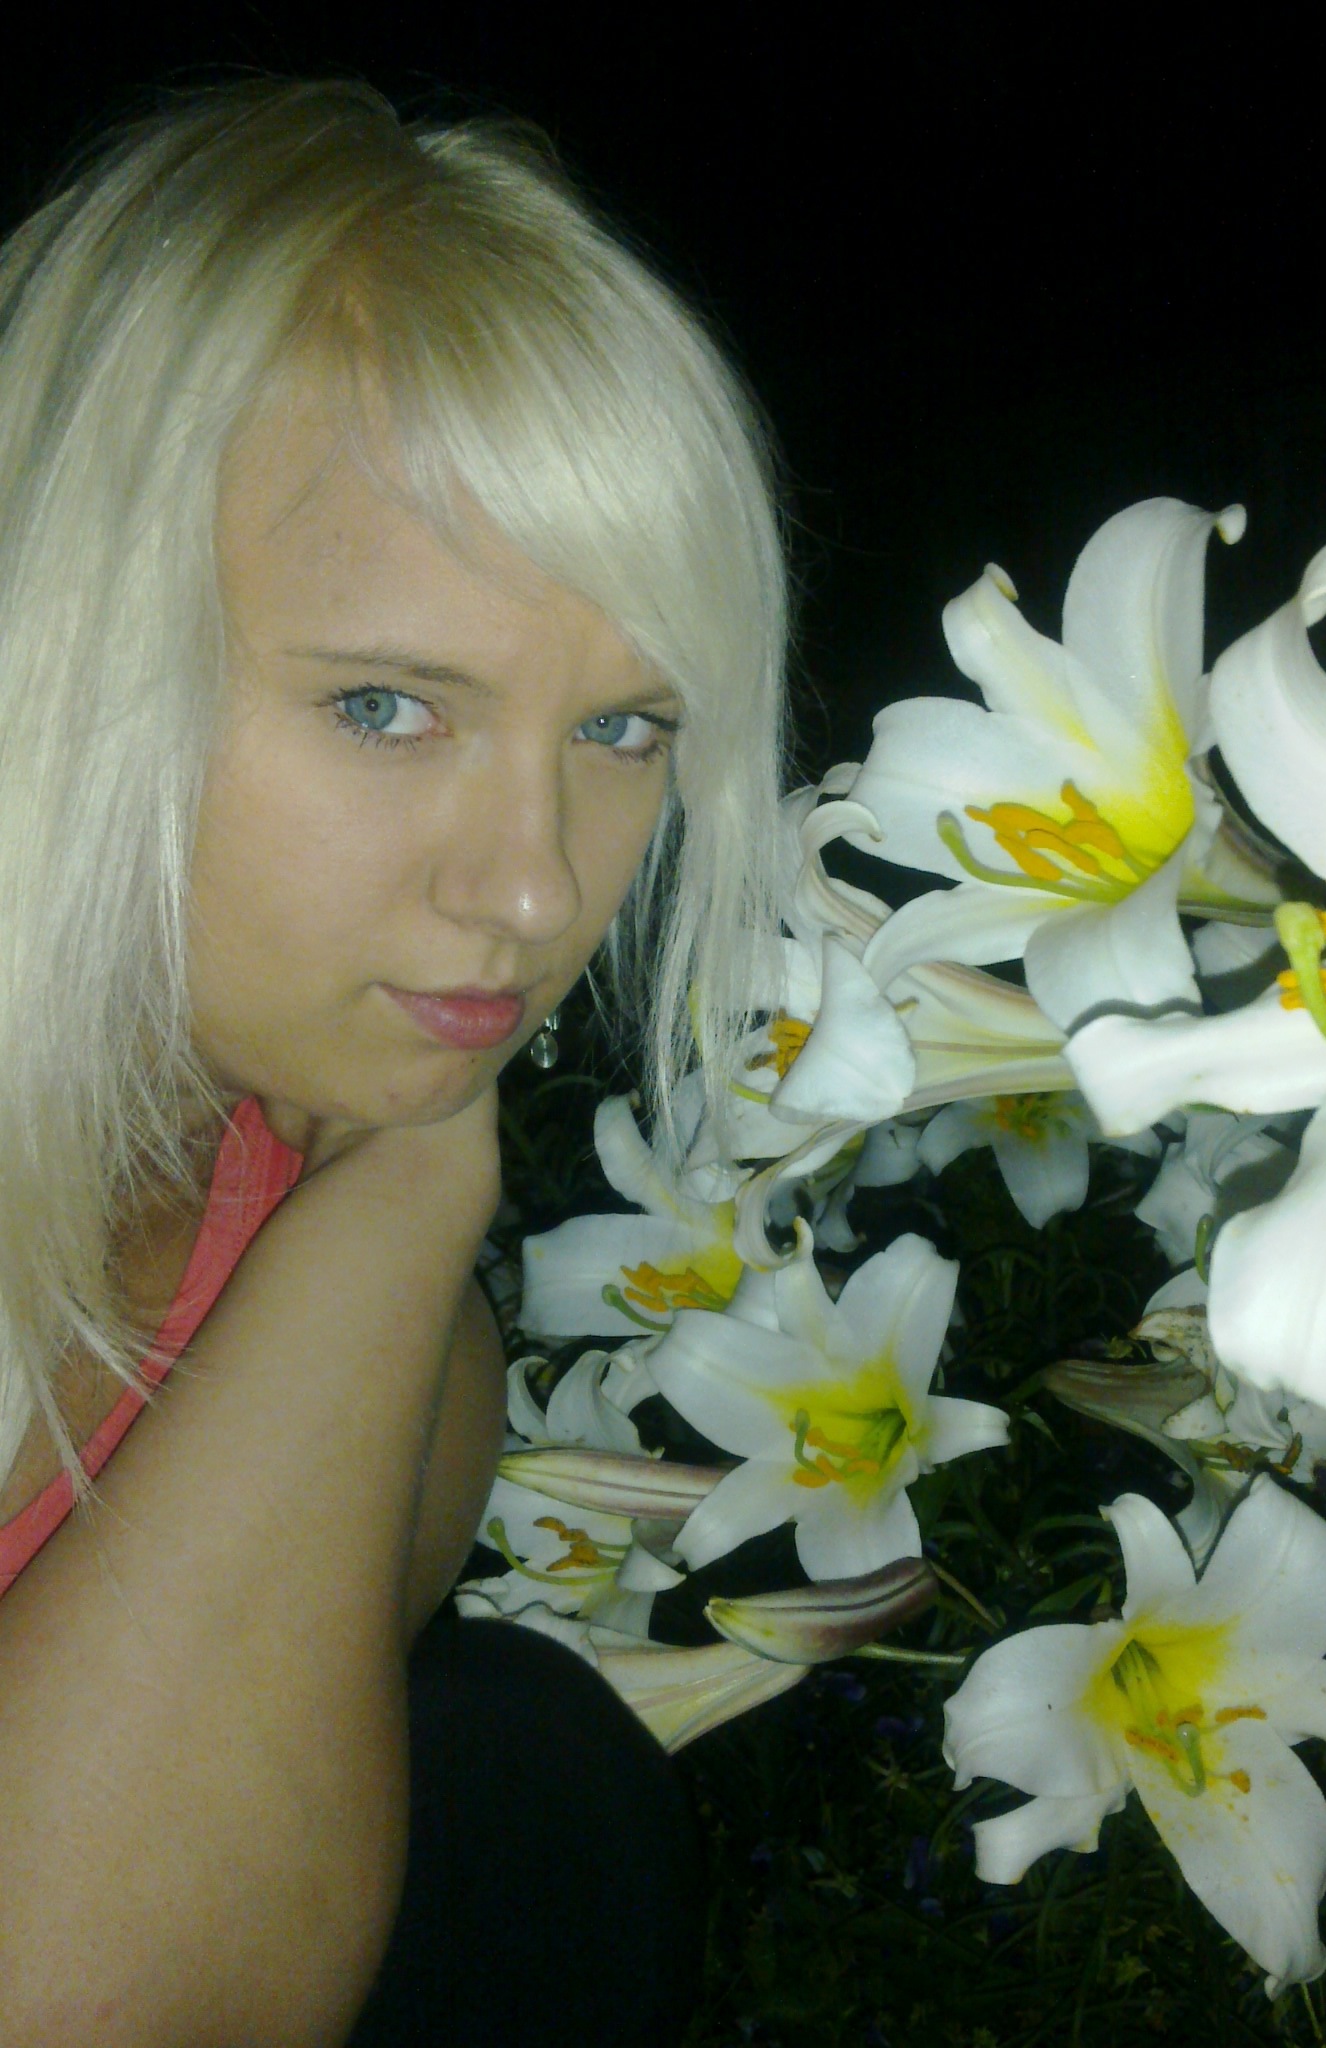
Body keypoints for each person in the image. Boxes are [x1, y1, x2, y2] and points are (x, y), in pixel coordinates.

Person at [0, 77, 787, 2046]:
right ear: (64, 642)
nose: (535, 889)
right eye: (384, 706)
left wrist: (419, 1178)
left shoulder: (356, 1271)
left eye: (619, 731)